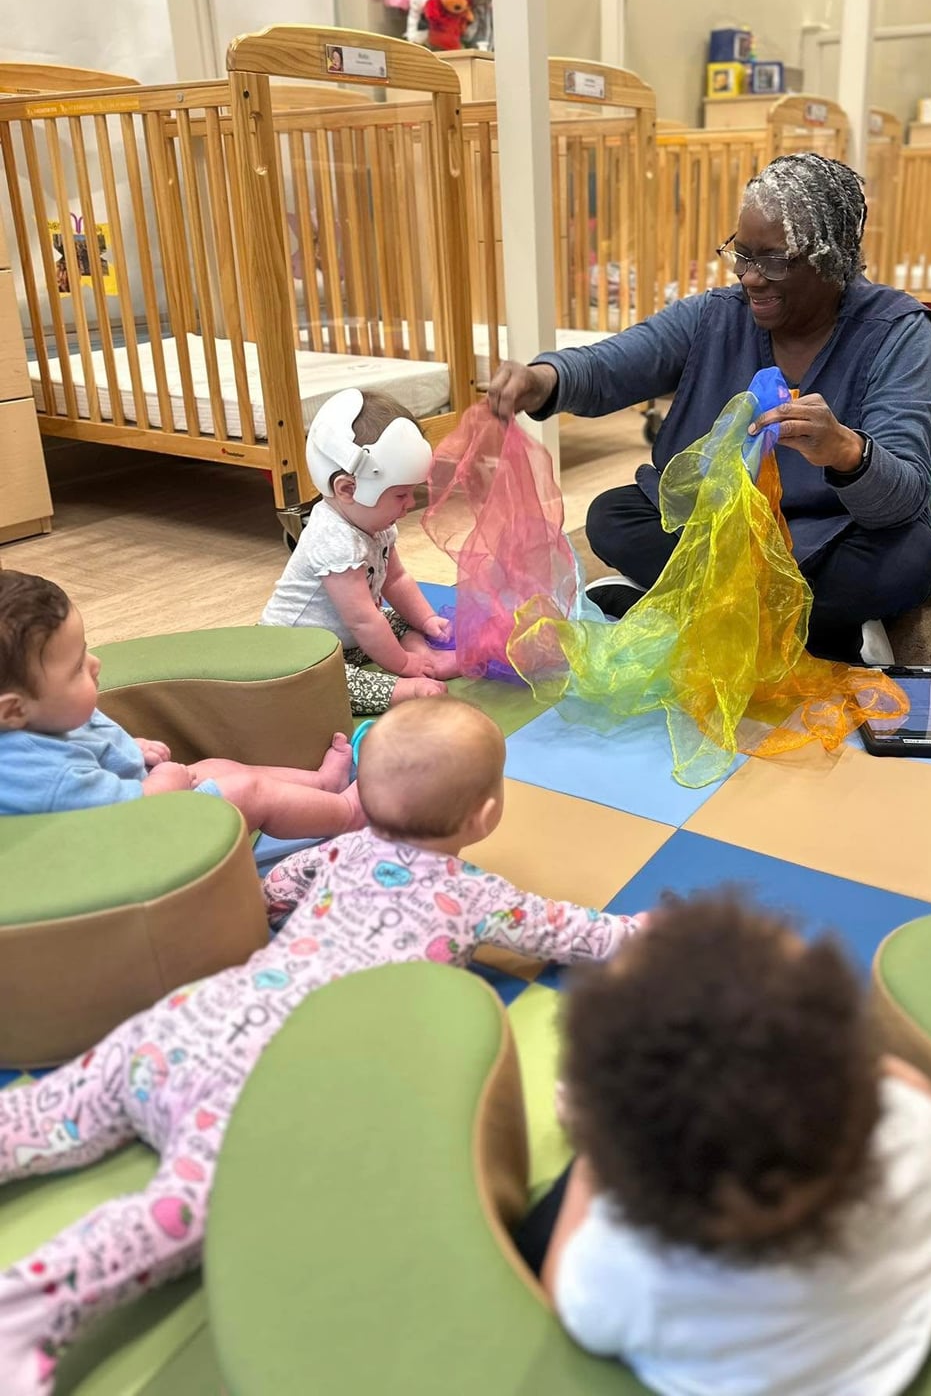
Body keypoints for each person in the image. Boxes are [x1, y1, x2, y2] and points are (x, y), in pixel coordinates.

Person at [0, 697, 642, 1394]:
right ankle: (29, 1309)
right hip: (263, 1073)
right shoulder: (478, 896)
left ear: (361, 792)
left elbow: (277, 888)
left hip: (194, 1017)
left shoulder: (339, 849)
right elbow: (584, 936)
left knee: (49, 1110)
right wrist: (647, 934)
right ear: (486, 816)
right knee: (183, 1209)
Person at [488, 153, 931, 663]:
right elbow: (614, 363)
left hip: (827, 534)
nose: (751, 278)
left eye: (774, 260)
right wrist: (542, 379)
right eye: (743, 255)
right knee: (613, 515)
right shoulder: (715, 315)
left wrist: (847, 451)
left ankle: (686, 604)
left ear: (832, 258)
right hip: (722, 528)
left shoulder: (899, 331)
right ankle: (799, 624)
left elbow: (905, 495)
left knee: (910, 558)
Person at [518, 894, 931, 1396]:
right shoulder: (908, 1133)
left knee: (537, 1230)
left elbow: (565, 1302)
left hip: (731, 1373)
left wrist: (593, 1158)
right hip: (900, 1344)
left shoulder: (632, 1269)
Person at [0, 571, 362, 838]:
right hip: (134, 842)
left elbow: (92, 749)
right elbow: (123, 818)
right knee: (248, 791)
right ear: (13, 710)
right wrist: (164, 784)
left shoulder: (45, 714)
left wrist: (132, 749)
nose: (95, 664)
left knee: (218, 767)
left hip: (142, 800)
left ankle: (320, 785)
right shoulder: (44, 776)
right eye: (77, 665)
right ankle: (346, 813)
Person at [261, 388, 459, 714]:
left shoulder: (377, 523)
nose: (410, 505)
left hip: (345, 642)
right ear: (348, 490)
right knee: (324, 683)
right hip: (296, 654)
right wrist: (405, 666)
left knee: (397, 619)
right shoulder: (334, 540)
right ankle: (400, 691)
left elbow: (396, 580)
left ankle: (423, 651)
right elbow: (363, 621)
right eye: (400, 496)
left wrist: (427, 620)